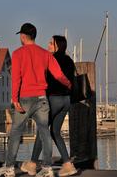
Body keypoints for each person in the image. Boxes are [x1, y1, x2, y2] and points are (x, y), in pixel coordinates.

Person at [0, 23, 71, 177]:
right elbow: (58, 74)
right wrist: (68, 84)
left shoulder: (18, 53)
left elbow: (16, 78)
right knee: (44, 132)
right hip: (42, 98)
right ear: (34, 36)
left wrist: (15, 98)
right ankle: (47, 168)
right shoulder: (45, 54)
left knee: (15, 132)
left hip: (25, 99)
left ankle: (9, 168)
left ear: (23, 36)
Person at [20, 35, 77, 177]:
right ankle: (68, 164)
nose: (48, 44)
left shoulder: (50, 59)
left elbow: (43, 79)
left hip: (54, 99)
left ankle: (32, 164)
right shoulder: (69, 60)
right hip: (66, 101)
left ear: (58, 46)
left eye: (51, 43)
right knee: (55, 132)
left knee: (41, 131)